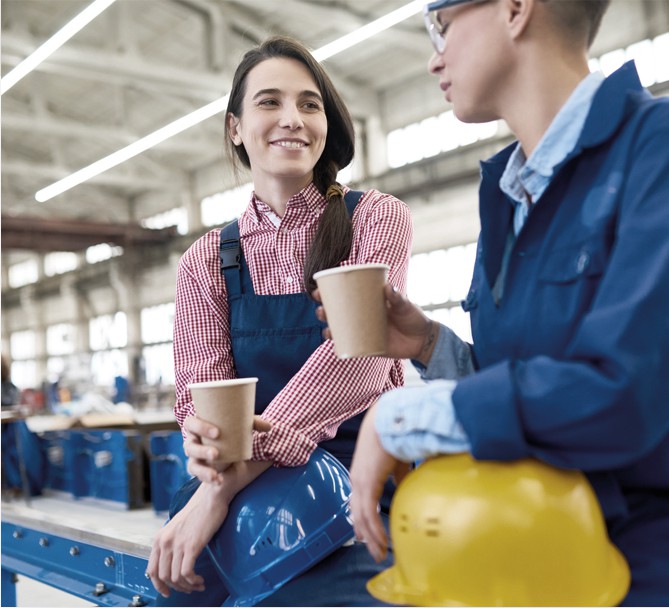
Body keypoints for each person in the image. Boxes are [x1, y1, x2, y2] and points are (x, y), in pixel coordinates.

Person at [326, 1, 668, 605]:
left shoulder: (655, 153)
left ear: (514, 9)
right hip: (522, 562)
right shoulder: (510, 194)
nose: (435, 58)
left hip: (636, 573)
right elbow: (533, 386)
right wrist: (434, 347)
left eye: (443, 24)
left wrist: (402, 415)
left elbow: (628, 392)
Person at [147, 35, 413, 606]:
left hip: (355, 481)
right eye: (269, 102)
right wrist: (206, 451)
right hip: (234, 481)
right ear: (235, 128)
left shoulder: (376, 219)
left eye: (309, 104)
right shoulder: (207, 259)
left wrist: (219, 492)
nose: (292, 118)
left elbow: (359, 362)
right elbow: (202, 392)